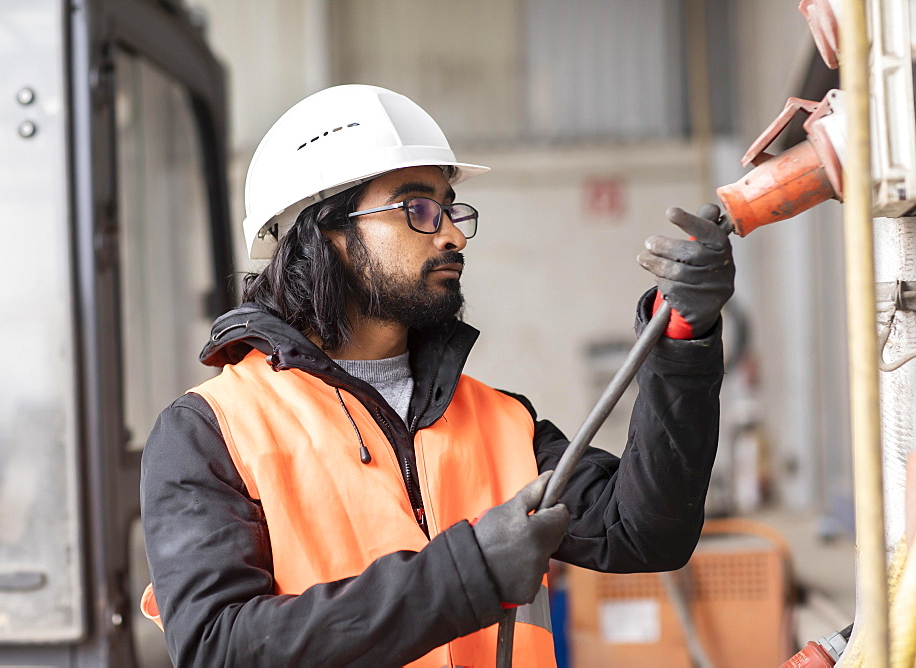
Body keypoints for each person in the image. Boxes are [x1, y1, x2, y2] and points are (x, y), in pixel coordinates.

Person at [139, 84, 734, 667]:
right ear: (325, 231)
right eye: (418, 209)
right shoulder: (210, 432)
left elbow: (645, 532)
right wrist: (462, 575)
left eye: (450, 209)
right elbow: (216, 646)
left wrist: (682, 341)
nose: (451, 234)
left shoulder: (499, 421)